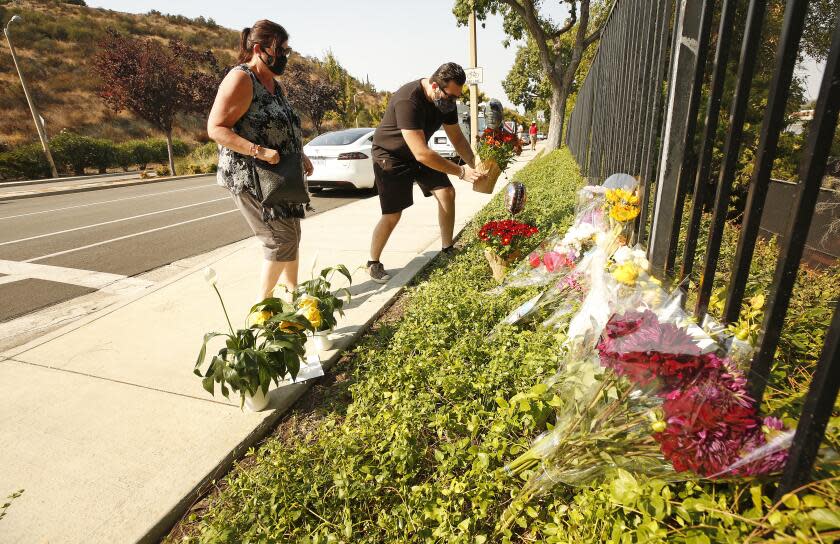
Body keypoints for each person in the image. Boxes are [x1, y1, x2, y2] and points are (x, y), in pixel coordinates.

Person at [207, 19, 314, 301]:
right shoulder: (241, 78)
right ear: (259, 48)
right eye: (280, 51)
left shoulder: (273, 85)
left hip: (281, 176)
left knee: (293, 236)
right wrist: (258, 150)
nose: (284, 58)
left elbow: (283, 126)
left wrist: (299, 154)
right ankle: (262, 312)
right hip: (251, 176)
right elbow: (216, 128)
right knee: (279, 241)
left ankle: (293, 296)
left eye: (287, 52)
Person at [366, 62, 486, 283]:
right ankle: (373, 262)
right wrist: (461, 172)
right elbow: (422, 153)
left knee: (447, 193)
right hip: (390, 155)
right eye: (450, 96)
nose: (452, 102)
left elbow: (457, 138)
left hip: (418, 153)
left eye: (456, 98)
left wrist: (475, 163)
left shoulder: (445, 104)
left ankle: (447, 248)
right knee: (393, 213)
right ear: (434, 86)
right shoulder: (408, 100)